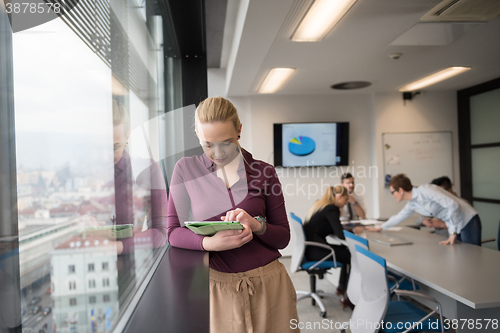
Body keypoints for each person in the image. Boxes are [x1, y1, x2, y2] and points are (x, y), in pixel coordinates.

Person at [166, 97, 298, 333]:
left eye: (226, 143)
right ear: (197, 135)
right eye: (208, 144)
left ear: (239, 130)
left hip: (269, 283)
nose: (217, 153)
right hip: (217, 287)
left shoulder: (264, 172)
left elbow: (283, 238)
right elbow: (173, 232)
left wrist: (257, 226)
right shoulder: (185, 170)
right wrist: (208, 243)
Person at [367, 174, 482, 246]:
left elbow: (453, 205)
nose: (392, 195)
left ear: (401, 190)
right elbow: (398, 217)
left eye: (393, 192)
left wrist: (452, 232)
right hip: (454, 224)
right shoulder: (412, 204)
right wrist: (379, 228)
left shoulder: (425, 190)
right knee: (460, 255)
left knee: (471, 256)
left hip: (467, 220)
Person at [303, 185, 364, 310]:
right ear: (340, 197)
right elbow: (341, 234)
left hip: (310, 250)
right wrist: (355, 230)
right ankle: (349, 297)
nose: (346, 203)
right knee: (352, 255)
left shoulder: (320, 205)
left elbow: (332, 228)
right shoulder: (332, 209)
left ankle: (342, 287)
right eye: (346, 200)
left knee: (347, 252)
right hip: (317, 251)